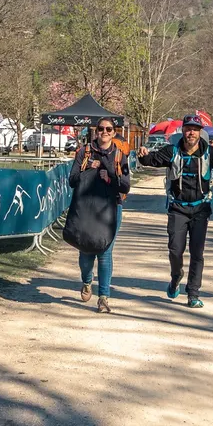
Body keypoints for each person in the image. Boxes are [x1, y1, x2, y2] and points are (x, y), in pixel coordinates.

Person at [138, 115, 213, 308]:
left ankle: (193, 294)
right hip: (177, 208)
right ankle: (176, 276)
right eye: (188, 129)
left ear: (200, 132)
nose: (191, 132)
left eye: (195, 129)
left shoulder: (209, 153)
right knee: (175, 250)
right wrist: (143, 155)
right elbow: (151, 160)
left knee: (197, 253)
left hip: (200, 209)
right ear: (183, 131)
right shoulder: (172, 151)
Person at [67, 117, 130, 313]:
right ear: (96, 131)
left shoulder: (120, 154)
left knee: (105, 252)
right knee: (85, 249)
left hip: (111, 207)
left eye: (108, 129)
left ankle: (104, 298)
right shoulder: (84, 152)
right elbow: (72, 179)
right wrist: (88, 168)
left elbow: (126, 185)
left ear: (114, 132)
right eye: (101, 128)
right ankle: (87, 280)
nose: (104, 132)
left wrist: (110, 176)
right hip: (86, 206)